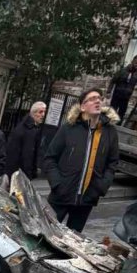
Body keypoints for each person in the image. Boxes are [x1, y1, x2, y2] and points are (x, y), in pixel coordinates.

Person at [43, 88, 119, 233]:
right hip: (61, 194)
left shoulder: (109, 132)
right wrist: (57, 184)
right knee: (47, 233)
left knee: (74, 241)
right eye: (91, 99)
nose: (97, 101)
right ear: (83, 107)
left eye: (99, 98)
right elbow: (50, 158)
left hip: (87, 198)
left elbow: (112, 163)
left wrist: (101, 187)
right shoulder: (68, 129)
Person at [5, 101, 46, 179]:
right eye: (40, 112)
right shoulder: (28, 130)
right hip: (19, 174)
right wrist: (29, 174)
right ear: (33, 113)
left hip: (17, 172)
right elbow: (27, 155)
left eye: (44, 112)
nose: (43, 115)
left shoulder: (29, 127)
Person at [110, 55, 137, 124]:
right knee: (112, 111)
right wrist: (109, 92)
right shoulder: (123, 70)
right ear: (132, 61)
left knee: (121, 113)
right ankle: (107, 125)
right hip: (117, 94)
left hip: (126, 97)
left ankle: (118, 128)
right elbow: (113, 81)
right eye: (136, 62)